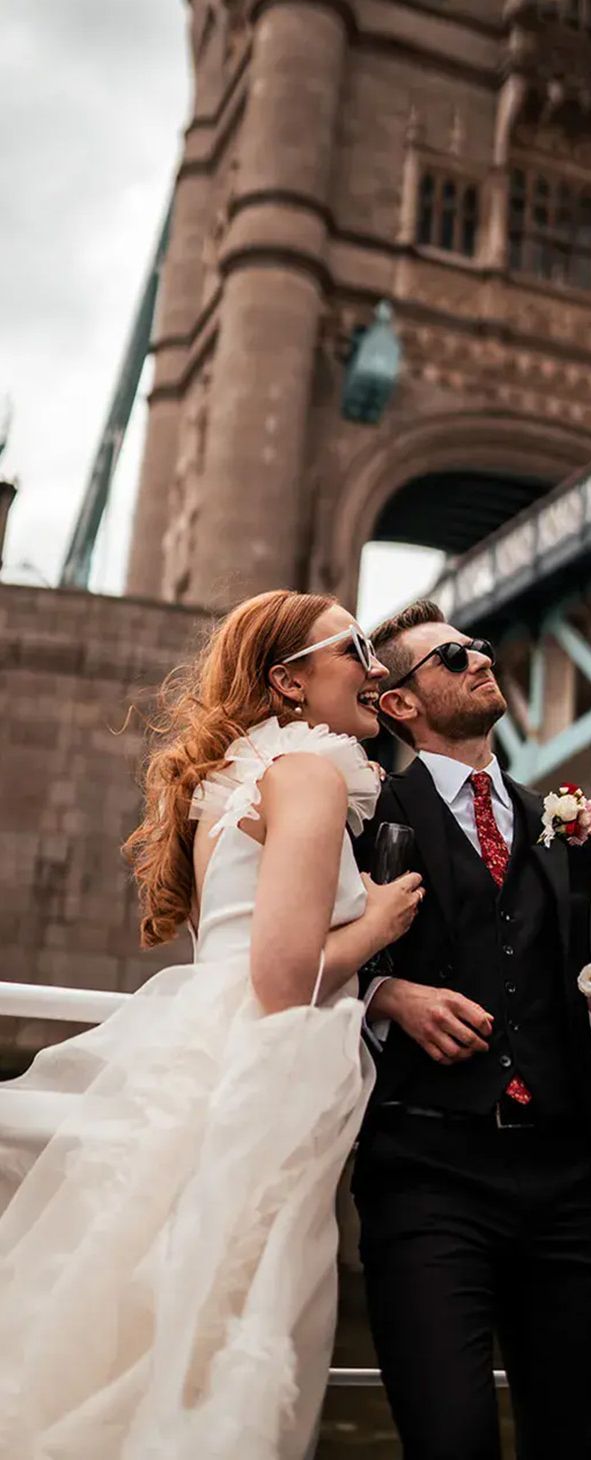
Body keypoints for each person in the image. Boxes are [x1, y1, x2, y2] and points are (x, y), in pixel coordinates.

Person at [0, 589, 423, 1460]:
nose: (376, 666)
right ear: (289, 682)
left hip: (204, 1058)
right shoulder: (306, 773)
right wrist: (380, 922)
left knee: (155, 1325)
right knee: (227, 1331)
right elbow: (281, 978)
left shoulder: (234, 777)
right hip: (264, 1078)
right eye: (353, 647)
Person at [353, 599, 591, 1460]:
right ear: (399, 703)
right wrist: (387, 994)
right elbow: (308, 959)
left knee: (584, 1442)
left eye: (479, 647)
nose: (481, 659)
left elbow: (577, 977)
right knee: (450, 1440)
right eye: (452, 658)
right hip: (427, 1177)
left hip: (566, 1179)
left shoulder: (562, 823)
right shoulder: (368, 813)